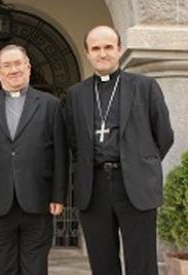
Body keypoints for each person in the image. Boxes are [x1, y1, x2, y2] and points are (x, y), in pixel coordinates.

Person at [64, 25, 174, 275]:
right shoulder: (76, 94)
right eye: (95, 48)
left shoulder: (145, 86)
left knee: (142, 262)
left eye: (108, 47)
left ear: (119, 50)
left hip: (135, 183)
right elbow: (73, 140)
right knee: (102, 262)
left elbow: (164, 135)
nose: (102, 54)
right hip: (94, 186)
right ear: (87, 53)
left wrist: (142, 163)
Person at [0, 44, 68, 275]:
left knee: (36, 267)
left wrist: (58, 195)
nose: (13, 70)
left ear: (28, 67)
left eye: (18, 63)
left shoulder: (51, 105)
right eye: (7, 65)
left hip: (38, 199)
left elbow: (61, 155)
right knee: (3, 267)